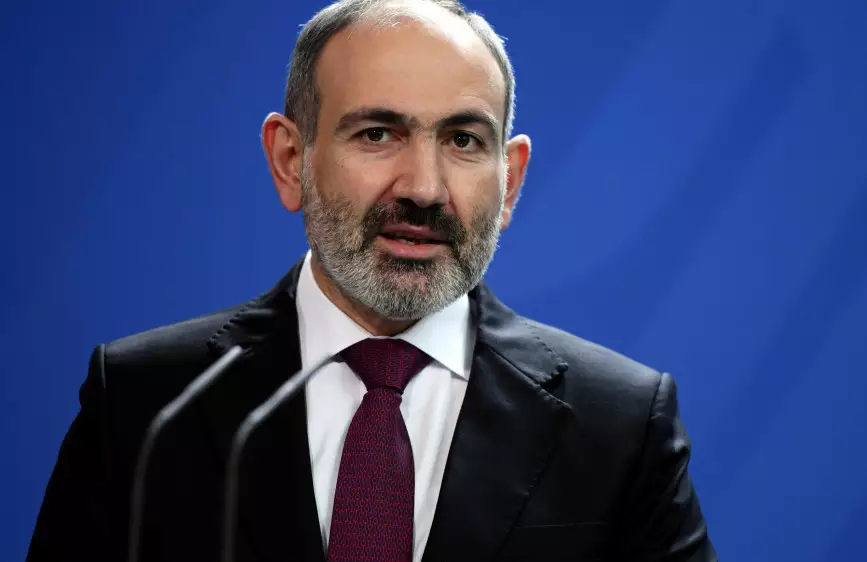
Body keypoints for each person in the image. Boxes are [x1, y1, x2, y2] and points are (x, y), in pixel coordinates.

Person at [28, 0, 717, 560]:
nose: (424, 188)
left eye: (463, 140)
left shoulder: (620, 424)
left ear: (510, 182)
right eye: (378, 134)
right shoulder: (146, 403)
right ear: (291, 160)